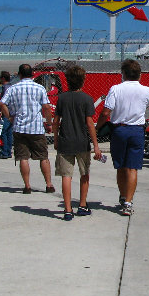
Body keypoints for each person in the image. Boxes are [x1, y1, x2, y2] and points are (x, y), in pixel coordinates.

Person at [96, 59, 149, 216]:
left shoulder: (115, 89)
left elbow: (106, 112)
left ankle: (122, 196)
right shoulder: (146, 90)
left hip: (119, 130)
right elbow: (145, 107)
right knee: (132, 167)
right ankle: (128, 202)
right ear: (139, 74)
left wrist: (98, 127)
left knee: (120, 166)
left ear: (124, 73)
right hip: (137, 131)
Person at [53, 65, 103, 221]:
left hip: (65, 141)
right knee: (84, 173)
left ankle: (68, 210)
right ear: (83, 80)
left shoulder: (61, 98)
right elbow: (89, 123)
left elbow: (56, 122)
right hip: (82, 142)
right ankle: (82, 205)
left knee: (66, 176)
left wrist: (55, 139)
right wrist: (95, 145)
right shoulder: (87, 99)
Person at [0, 64, 54, 194]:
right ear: (32, 74)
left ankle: (27, 185)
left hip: (19, 127)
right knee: (43, 157)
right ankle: (48, 184)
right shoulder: (39, 88)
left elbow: (2, 103)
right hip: (36, 128)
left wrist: (9, 117)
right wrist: (49, 122)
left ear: (19, 74)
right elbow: (46, 107)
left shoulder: (13, 88)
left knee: (23, 157)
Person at [0, 70, 13, 159]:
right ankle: (8, 151)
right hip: (11, 112)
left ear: (3, 78)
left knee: (4, 132)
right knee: (9, 132)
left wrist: (1, 111)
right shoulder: (11, 87)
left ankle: (4, 151)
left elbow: (3, 102)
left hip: (6, 112)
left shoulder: (5, 88)